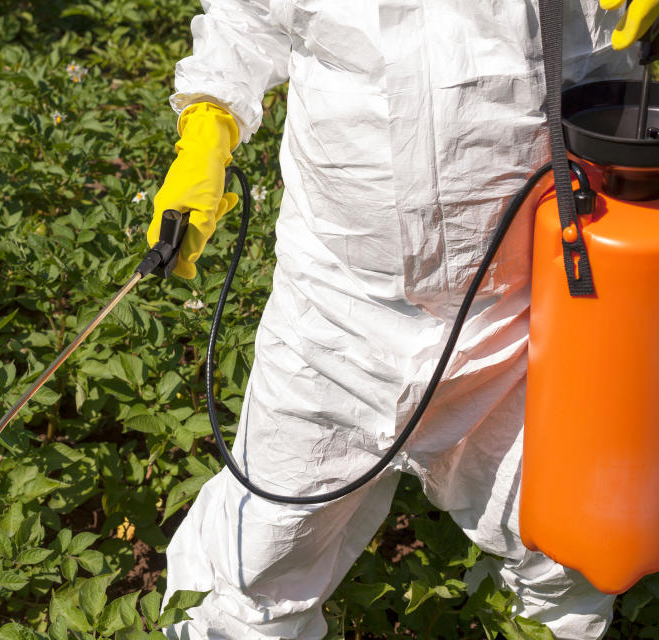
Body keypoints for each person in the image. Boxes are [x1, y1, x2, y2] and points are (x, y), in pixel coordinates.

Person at [146, 1, 649, 638]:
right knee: (262, 558)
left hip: (529, 311)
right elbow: (246, 18)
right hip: (333, 308)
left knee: (567, 556)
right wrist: (208, 125)